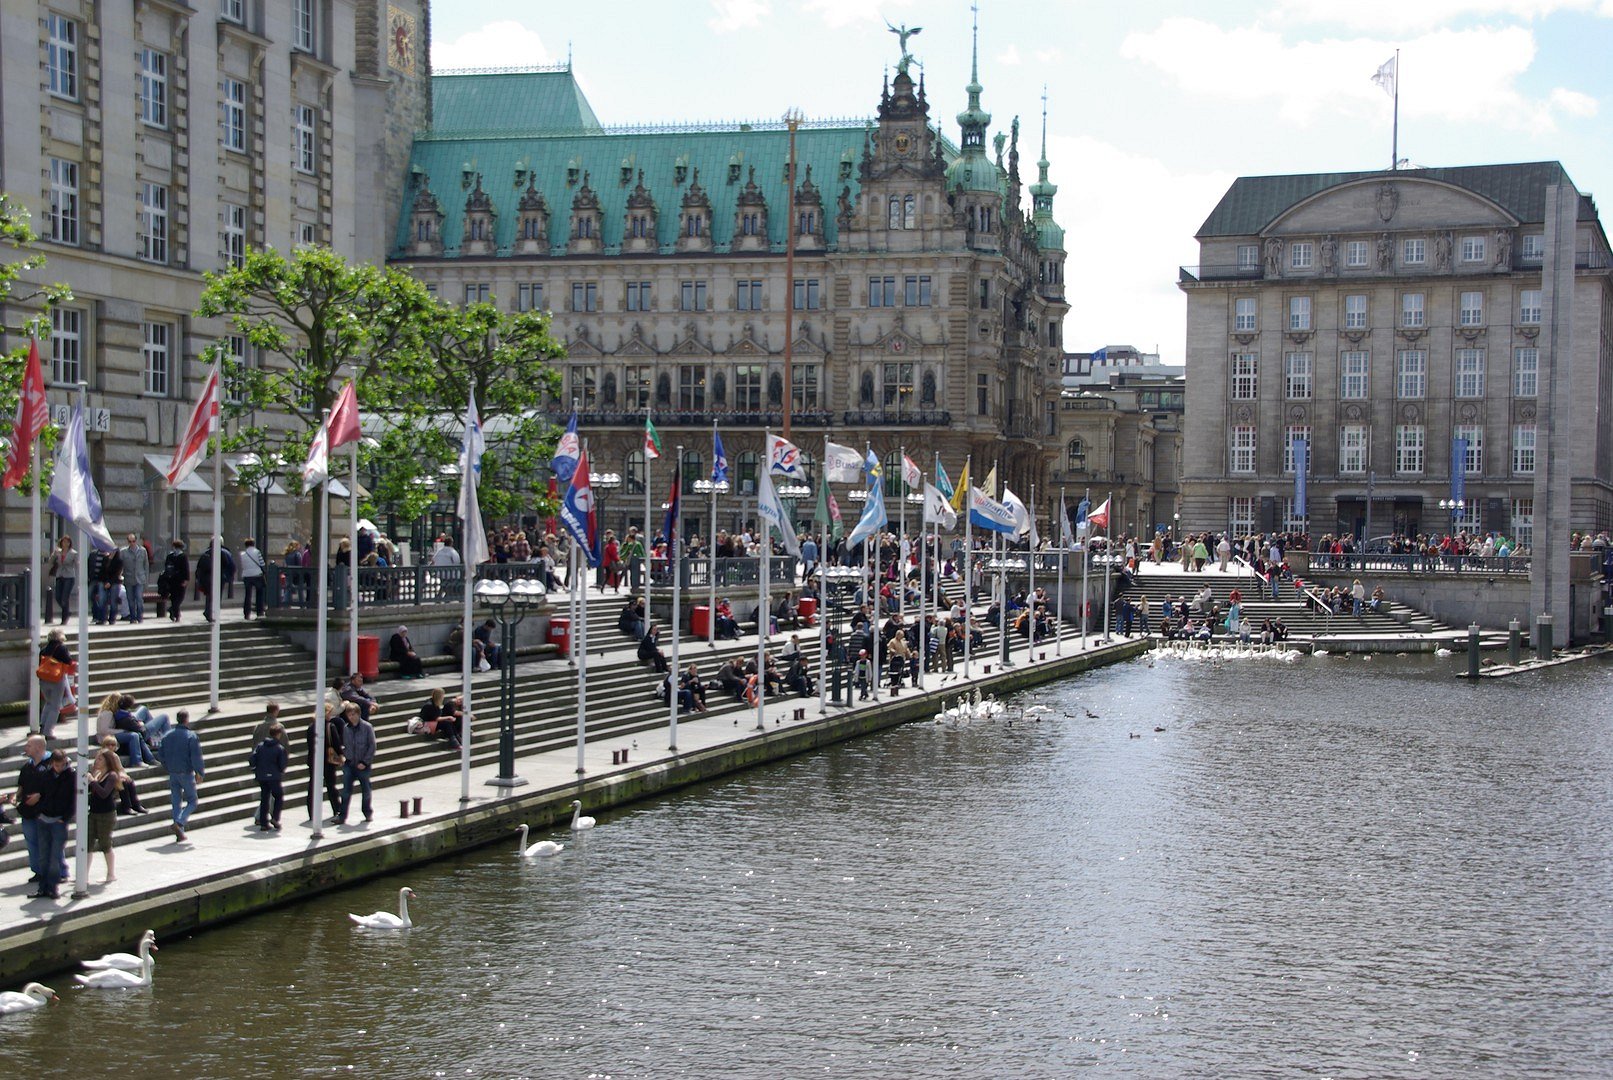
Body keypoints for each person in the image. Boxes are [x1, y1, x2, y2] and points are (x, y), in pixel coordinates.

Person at [13, 736, 54, 889]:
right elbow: (21, 786)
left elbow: (56, 788)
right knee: (32, 842)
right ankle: (38, 871)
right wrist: (15, 797)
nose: (26, 748)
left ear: (38, 747)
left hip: (45, 811)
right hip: (28, 812)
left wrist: (40, 796)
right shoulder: (26, 767)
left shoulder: (51, 765)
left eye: (28, 745)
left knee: (48, 842)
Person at [34, 750, 75, 899]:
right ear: (52, 763)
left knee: (54, 857)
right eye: (56, 765)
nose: (59, 768)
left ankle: (52, 888)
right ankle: (43, 888)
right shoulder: (46, 775)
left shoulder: (71, 776)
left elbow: (74, 800)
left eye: (62, 765)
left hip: (59, 820)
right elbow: (42, 794)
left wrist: (64, 818)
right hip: (44, 817)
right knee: (43, 856)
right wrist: (39, 812)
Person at [160, 710, 205, 842]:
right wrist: (200, 772)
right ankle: (180, 822)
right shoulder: (191, 736)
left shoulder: (167, 735)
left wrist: (167, 767)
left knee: (176, 802)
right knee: (192, 800)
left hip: (172, 772)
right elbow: (196, 756)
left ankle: (179, 832)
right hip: (186, 772)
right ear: (187, 719)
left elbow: (161, 755)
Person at [86, 741, 125, 882]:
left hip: (106, 813)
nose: (96, 761)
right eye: (96, 758)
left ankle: (111, 874)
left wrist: (92, 782)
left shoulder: (112, 775)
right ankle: (84, 875)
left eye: (100, 759)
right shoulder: (96, 774)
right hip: (93, 812)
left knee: (105, 843)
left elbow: (104, 793)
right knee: (87, 842)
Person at [336, 702, 376, 824]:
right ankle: (342, 816)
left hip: (363, 764)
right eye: (349, 714)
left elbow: (372, 746)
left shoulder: (367, 727)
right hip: (349, 763)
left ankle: (367, 812)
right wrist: (342, 756)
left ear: (358, 714)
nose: (351, 717)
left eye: (353, 714)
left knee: (366, 790)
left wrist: (365, 761)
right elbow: (345, 745)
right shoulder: (346, 728)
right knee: (346, 791)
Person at [307, 703, 346, 822]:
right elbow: (336, 743)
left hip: (314, 759)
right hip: (328, 760)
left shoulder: (311, 727)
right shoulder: (330, 726)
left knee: (313, 786)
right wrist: (341, 756)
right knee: (331, 785)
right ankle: (337, 808)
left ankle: (311, 812)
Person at [97, 692, 157, 767]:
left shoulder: (112, 712)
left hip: (111, 734)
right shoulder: (107, 713)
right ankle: (136, 761)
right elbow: (104, 730)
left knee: (136, 734)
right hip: (106, 737)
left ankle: (149, 758)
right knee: (133, 735)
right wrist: (122, 731)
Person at [36, 628, 73, 741]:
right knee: (55, 706)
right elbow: (68, 661)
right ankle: (48, 732)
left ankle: (42, 726)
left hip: (43, 679)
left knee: (48, 702)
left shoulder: (43, 650)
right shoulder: (61, 648)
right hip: (56, 679)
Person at [250, 723, 288, 831]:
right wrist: (280, 771)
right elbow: (282, 764)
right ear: (279, 734)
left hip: (262, 776)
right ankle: (275, 818)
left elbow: (252, 759)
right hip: (274, 776)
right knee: (279, 796)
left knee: (264, 798)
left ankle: (263, 823)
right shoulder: (279, 748)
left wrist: (255, 769)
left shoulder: (260, 746)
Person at [195, 541, 235, 623]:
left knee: (209, 596)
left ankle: (208, 611)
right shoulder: (221, 553)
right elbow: (227, 564)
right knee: (216, 597)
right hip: (217, 577)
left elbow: (199, 567)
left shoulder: (205, 553)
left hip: (207, 578)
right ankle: (211, 613)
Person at [121, 532, 149, 622]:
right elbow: (120, 565)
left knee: (139, 598)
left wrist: (146, 580)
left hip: (140, 579)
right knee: (130, 599)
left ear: (136, 541)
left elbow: (146, 566)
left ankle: (139, 617)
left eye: (133, 541)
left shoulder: (142, 551)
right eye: (130, 541)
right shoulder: (123, 552)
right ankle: (133, 617)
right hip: (129, 579)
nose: (132, 543)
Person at [47, 535, 75, 624]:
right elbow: (50, 562)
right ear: (61, 543)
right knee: (58, 596)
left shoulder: (73, 553)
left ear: (70, 543)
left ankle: (64, 619)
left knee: (64, 598)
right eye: (64, 542)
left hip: (69, 576)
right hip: (59, 575)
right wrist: (54, 555)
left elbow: (77, 564)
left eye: (67, 542)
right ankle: (67, 611)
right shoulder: (58, 552)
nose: (65, 544)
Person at [160, 540, 190, 621]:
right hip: (179, 581)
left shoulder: (170, 556)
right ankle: (174, 611)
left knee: (174, 598)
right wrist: (186, 579)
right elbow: (186, 569)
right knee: (179, 597)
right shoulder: (183, 556)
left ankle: (175, 614)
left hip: (171, 580)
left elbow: (166, 567)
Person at [239, 537, 267, 619]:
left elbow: (242, 565)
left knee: (248, 595)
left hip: (246, 575)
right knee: (259, 593)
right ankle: (259, 611)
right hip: (257, 574)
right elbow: (262, 563)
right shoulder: (257, 552)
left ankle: (246, 613)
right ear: (253, 544)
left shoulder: (242, 554)